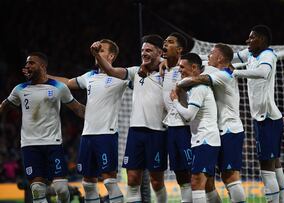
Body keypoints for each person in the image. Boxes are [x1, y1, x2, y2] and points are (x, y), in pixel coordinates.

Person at [90, 35, 168, 203]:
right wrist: (97, 55)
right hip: (136, 133)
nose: (144, 53)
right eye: (142, 50)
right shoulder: (135, 72)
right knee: (132, 180)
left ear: (160, 52)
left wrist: (165, 62)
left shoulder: (168, 72)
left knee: (156, 181)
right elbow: (111, 71)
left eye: (149, 50)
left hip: (158, 133)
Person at [48, 39, 127, 203]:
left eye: (102, 50)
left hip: (106, 135)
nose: (97, 51)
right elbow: (68, 83)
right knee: (88, 183)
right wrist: (46, 77)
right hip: (87, 136)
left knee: (109, 181)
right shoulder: (90, 76)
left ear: (111, 55)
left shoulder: (120, 77)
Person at [0, 52, 85, 203]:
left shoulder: (59, 87)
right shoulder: (20, 89)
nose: (27, 66)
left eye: (31, 63)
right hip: (30, 145)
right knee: (37, 190)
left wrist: (98, 115)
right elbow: (4, 107)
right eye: (26, 63)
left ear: (42, 66)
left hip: (53, 143)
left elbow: (78, 109)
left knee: (62, 190)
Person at [177, 43, 246, 202]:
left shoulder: (224, 75)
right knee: (209, 181)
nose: (208, 57)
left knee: (230, 176)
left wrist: (179, 84)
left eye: (211, 54)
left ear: (220, 58)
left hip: (229, 130)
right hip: (218, 131)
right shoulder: (220, 72)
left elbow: (199, 78)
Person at [232, 25, 284, 202]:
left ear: (261, 40)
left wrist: (235, 73)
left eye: (252, 37)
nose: (248, 40)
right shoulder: (251, 54)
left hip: (267, 118)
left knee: (266, 167)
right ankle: (283, 200)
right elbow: (229, 57)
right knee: (275, 164)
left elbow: (263, 72)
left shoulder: (267, 55)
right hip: (265, 118)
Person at [170, 53, 220, 203]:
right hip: (205, 139)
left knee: (196, 182)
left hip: (205, 140)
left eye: (182, 67)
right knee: (208, 185)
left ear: (193, 67)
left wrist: (175, 102)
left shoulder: (198, 88)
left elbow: (189, 116)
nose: (179, 70)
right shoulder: (195, 87)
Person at [162, 32, 192, 202]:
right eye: (165, 42)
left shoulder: (186, 68)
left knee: (193, 170)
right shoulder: (163, 68)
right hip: (171, 126)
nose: (165, 44)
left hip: (186, 126)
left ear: (180, 49)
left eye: (170, 42)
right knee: (180, 172)